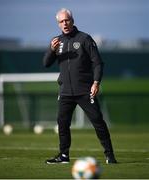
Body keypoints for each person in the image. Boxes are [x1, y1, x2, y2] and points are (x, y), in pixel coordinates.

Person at [43, 8, 117, 164]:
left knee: (98, 121)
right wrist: (51, 50)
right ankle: (64, 156)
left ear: (72, 20)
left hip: (84, 90)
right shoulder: (57, 42)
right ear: (58, 24)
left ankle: (110, 155)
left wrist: (96, 82)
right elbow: (46, 63)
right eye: (61, 21)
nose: (65, 23)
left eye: (67, 20)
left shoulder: (84, 39)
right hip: (65, 92)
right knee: (62, 124)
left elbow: (97, 63)